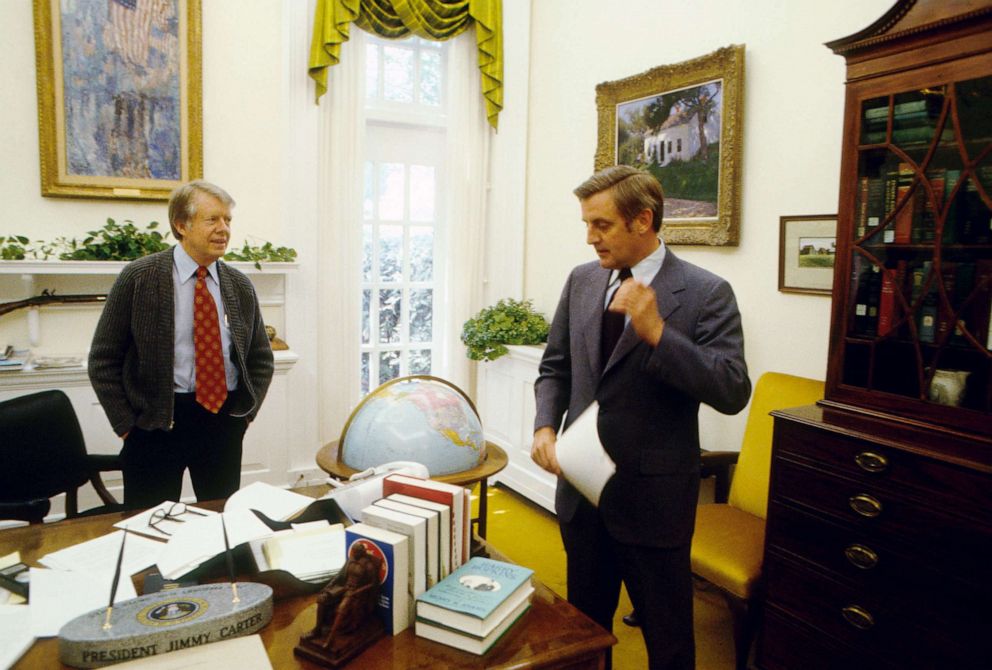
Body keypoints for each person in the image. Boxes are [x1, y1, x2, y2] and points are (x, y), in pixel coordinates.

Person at [531, 165, 750, 670]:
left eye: (601, 225)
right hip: (583, 499)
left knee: (668, 642)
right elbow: (555, 367)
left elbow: (733, 389)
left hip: (653, 504)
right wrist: (546, 425)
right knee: (585, 632)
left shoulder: (705, 292)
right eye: (587, 224)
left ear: (643, 220)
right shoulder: (583, 280)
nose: (590, 238)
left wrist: (658, 333)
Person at [89, 180, 274, 509]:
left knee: (220, 523)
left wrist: (244, 416)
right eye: (212, 220)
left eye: (228, 220)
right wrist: (126, 426)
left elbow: (261, 358)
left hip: (221, 422)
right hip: (154, 424)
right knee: (147, 527)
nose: (223, 229)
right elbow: (103, 361)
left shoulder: (239, 285)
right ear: (181, 225)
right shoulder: (138, 277)